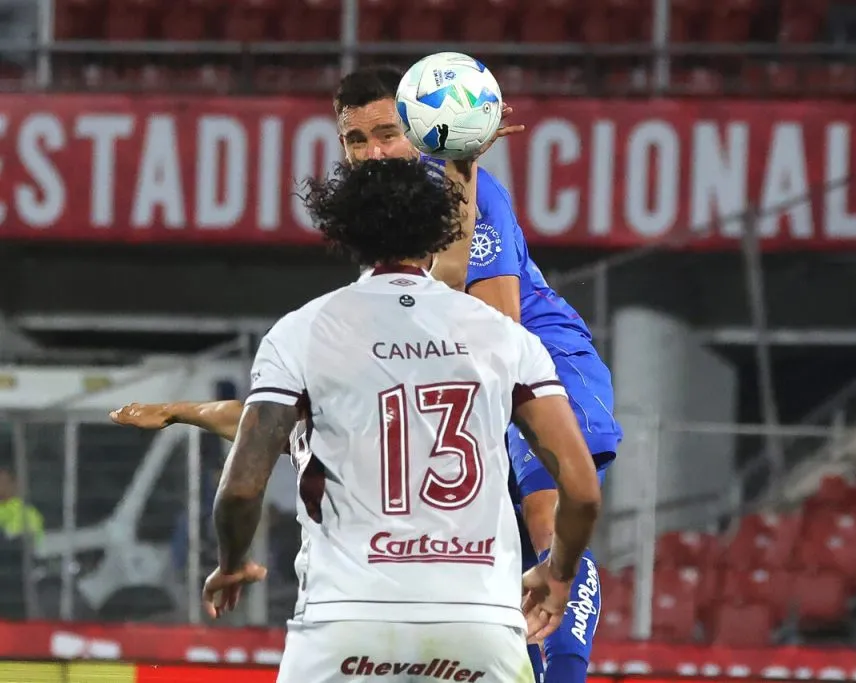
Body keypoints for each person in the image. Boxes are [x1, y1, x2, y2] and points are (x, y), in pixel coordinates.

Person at [116, 64, 623, 683]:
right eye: (356, 141)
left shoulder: (471, 197)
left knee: (551, 522)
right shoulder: (390, 246)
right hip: (473, 379)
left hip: (548, 358)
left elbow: (494, 326)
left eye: (388, 134)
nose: (373, 152)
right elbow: (300, 417)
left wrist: (462, 171)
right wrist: (189, 412)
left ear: (424, 129)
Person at [198, 158, 602, 683]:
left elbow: (241, 488)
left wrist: (231, 562)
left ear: (345, 235)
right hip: (478, 629)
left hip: (344, 626)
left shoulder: (300, 332)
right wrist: (560, 571)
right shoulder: (505, 337)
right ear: (440, 232)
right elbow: (582, 489)